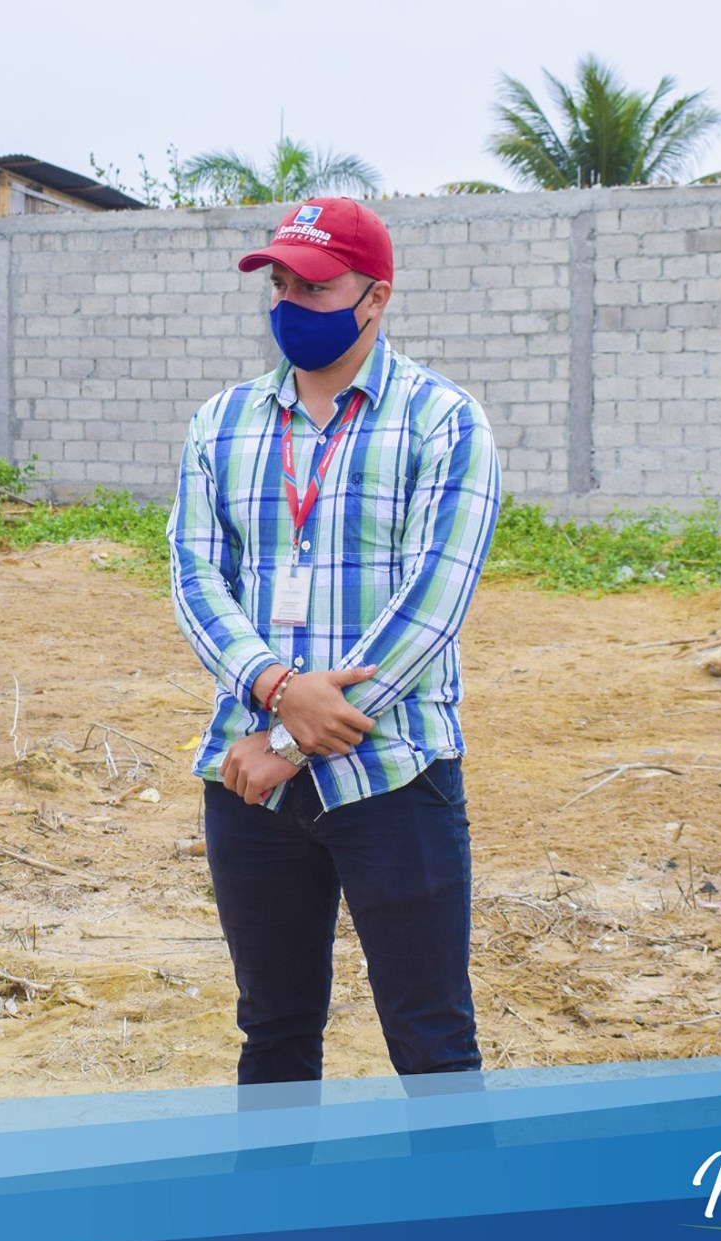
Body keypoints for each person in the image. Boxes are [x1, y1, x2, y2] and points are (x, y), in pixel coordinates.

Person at [168, 197, 502, 1085]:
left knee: (432, 1040)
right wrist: (276, 688)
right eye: (279, 283)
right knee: (273, 1033)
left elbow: (434, 602)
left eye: (314, 287)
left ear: (375, 298)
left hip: (394, 773)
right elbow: (196, 577)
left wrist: (288, 738)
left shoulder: (443, 421)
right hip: (250, 786)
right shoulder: (222, 422)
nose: (289, 304)